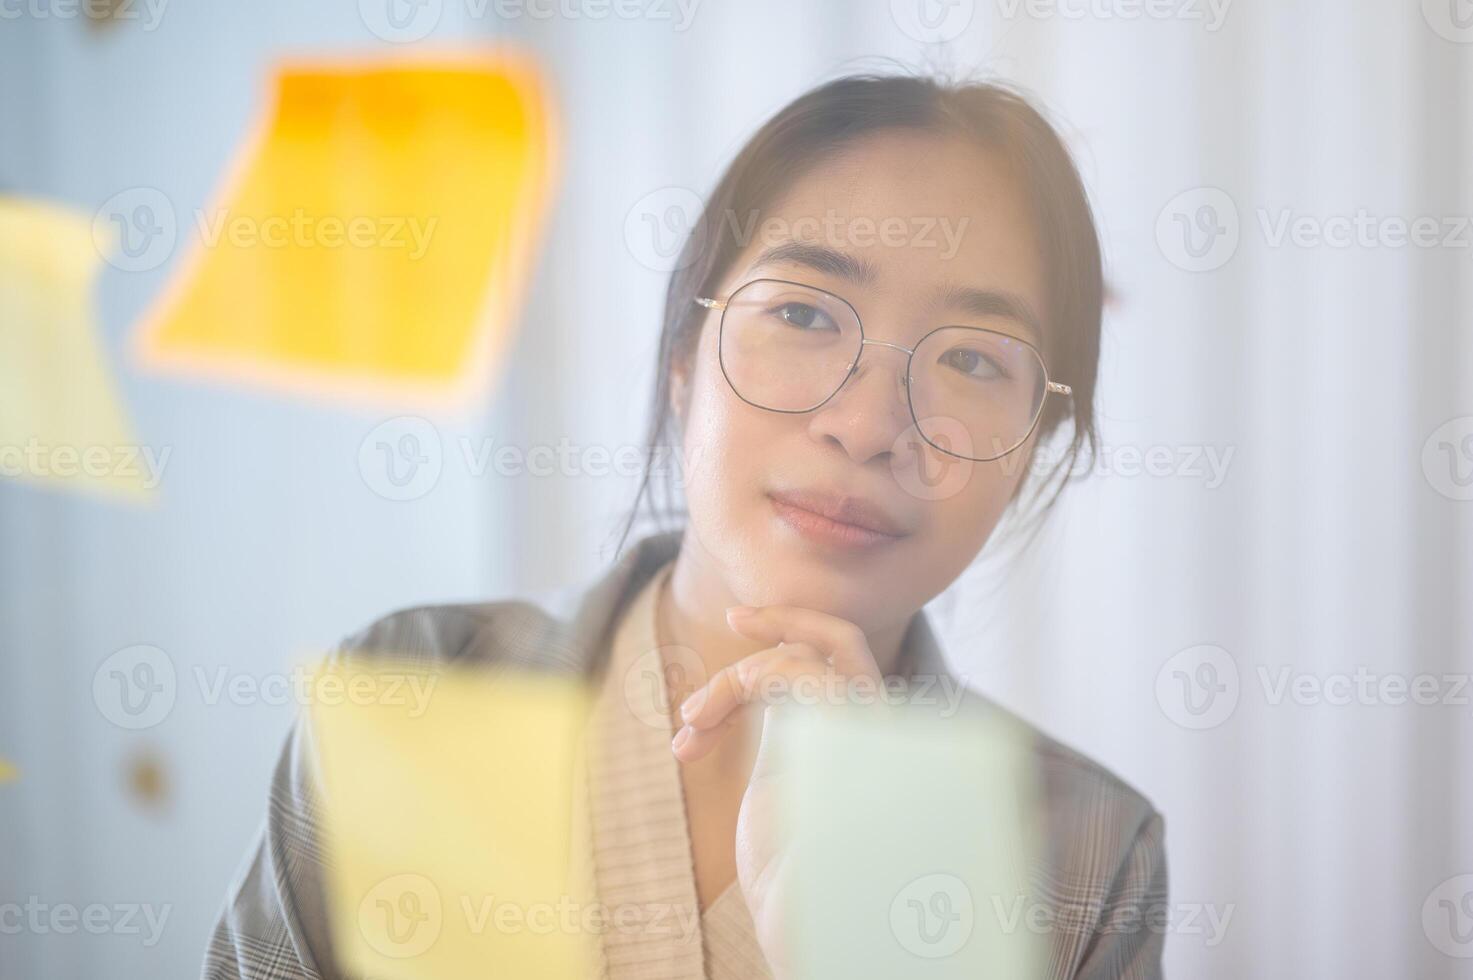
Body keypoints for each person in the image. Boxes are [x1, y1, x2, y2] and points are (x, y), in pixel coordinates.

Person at [203, 72, 1167, 980]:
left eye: (973, 361)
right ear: (680, 361)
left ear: (1038, 440)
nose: (870, 426)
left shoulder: (1087, 851)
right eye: (801, 313)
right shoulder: (411, 689)